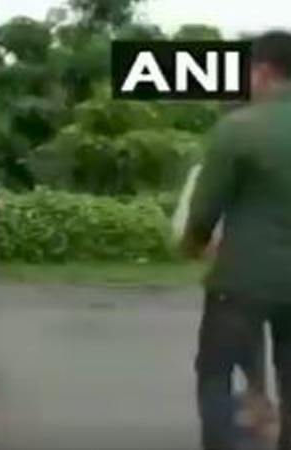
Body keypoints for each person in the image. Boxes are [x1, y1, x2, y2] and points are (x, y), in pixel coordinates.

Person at [183, 31, 291, 450]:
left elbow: (206, 209)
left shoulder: (238, 128)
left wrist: (193, 247)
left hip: (241, 280)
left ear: (262, 71)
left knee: (216, 372)